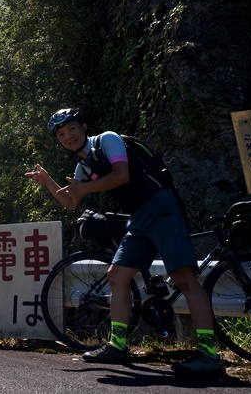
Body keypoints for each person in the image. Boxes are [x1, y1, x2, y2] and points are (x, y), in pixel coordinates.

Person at [25, 108, 223, 375]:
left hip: (161, 206)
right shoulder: (82, 167)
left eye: (71, 128)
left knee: (184, 278)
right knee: (117, 275)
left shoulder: (107, 140)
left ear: (84, 126)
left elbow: (121, 175)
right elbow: (70, 202)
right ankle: (117, 346)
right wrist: (48, 181)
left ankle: (209, 354)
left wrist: (83, 187)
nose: (68, 136)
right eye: (61, 134)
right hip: (139, 217)